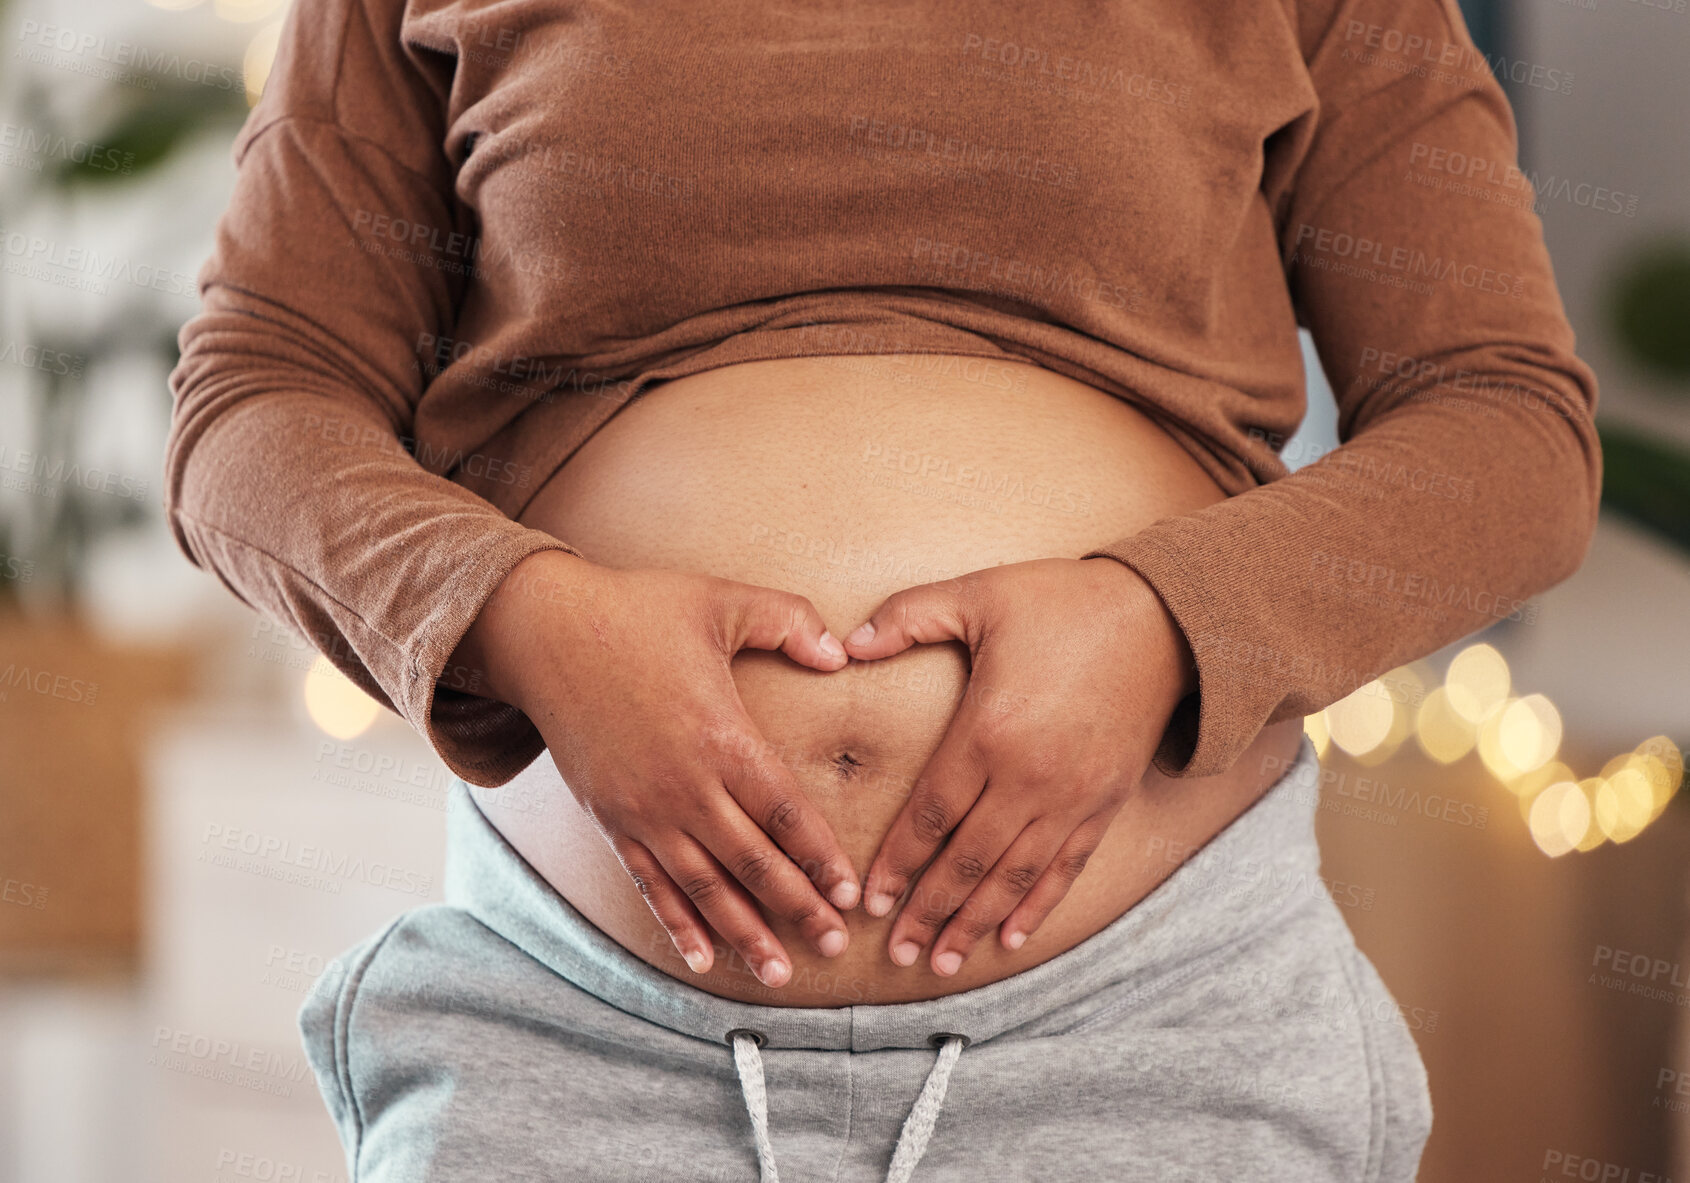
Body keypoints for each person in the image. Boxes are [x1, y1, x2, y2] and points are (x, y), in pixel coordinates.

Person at [163, 0, 1600, 1178]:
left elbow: (1504, 424)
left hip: (1147, 1032)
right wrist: (530, 620)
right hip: (580, 1041)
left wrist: (1160, 620)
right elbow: (252, 403)